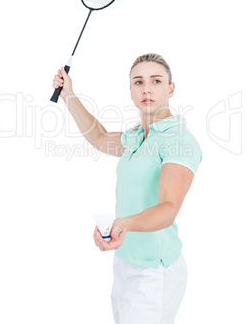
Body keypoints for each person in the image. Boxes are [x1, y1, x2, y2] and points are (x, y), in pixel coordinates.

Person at [52, 53, 202, 324]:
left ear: (170, 89)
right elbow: (98, 137)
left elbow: (169, 208)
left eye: (156, 81)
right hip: (125, 262)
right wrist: (68, 95)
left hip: (154, 273)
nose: (146, 88)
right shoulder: (137, 135)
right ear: (130, 91)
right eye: (138, 82)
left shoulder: (178, 140)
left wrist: (124, 223)